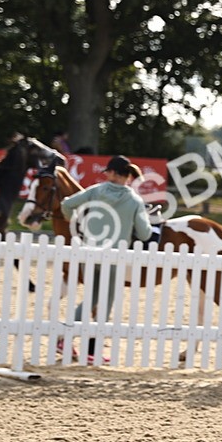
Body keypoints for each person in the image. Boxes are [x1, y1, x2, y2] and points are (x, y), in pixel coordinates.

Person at [59, 155, 153, 363]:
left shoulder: (96, 191)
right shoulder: (135, 200)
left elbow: (67, 204)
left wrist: (74, 221)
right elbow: (145, 234)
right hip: (113, 258)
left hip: (89, 253)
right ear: (128, 176)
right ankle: (91, 351)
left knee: (91, 297)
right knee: (105, 301)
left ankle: (64, 338)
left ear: (111, 173)